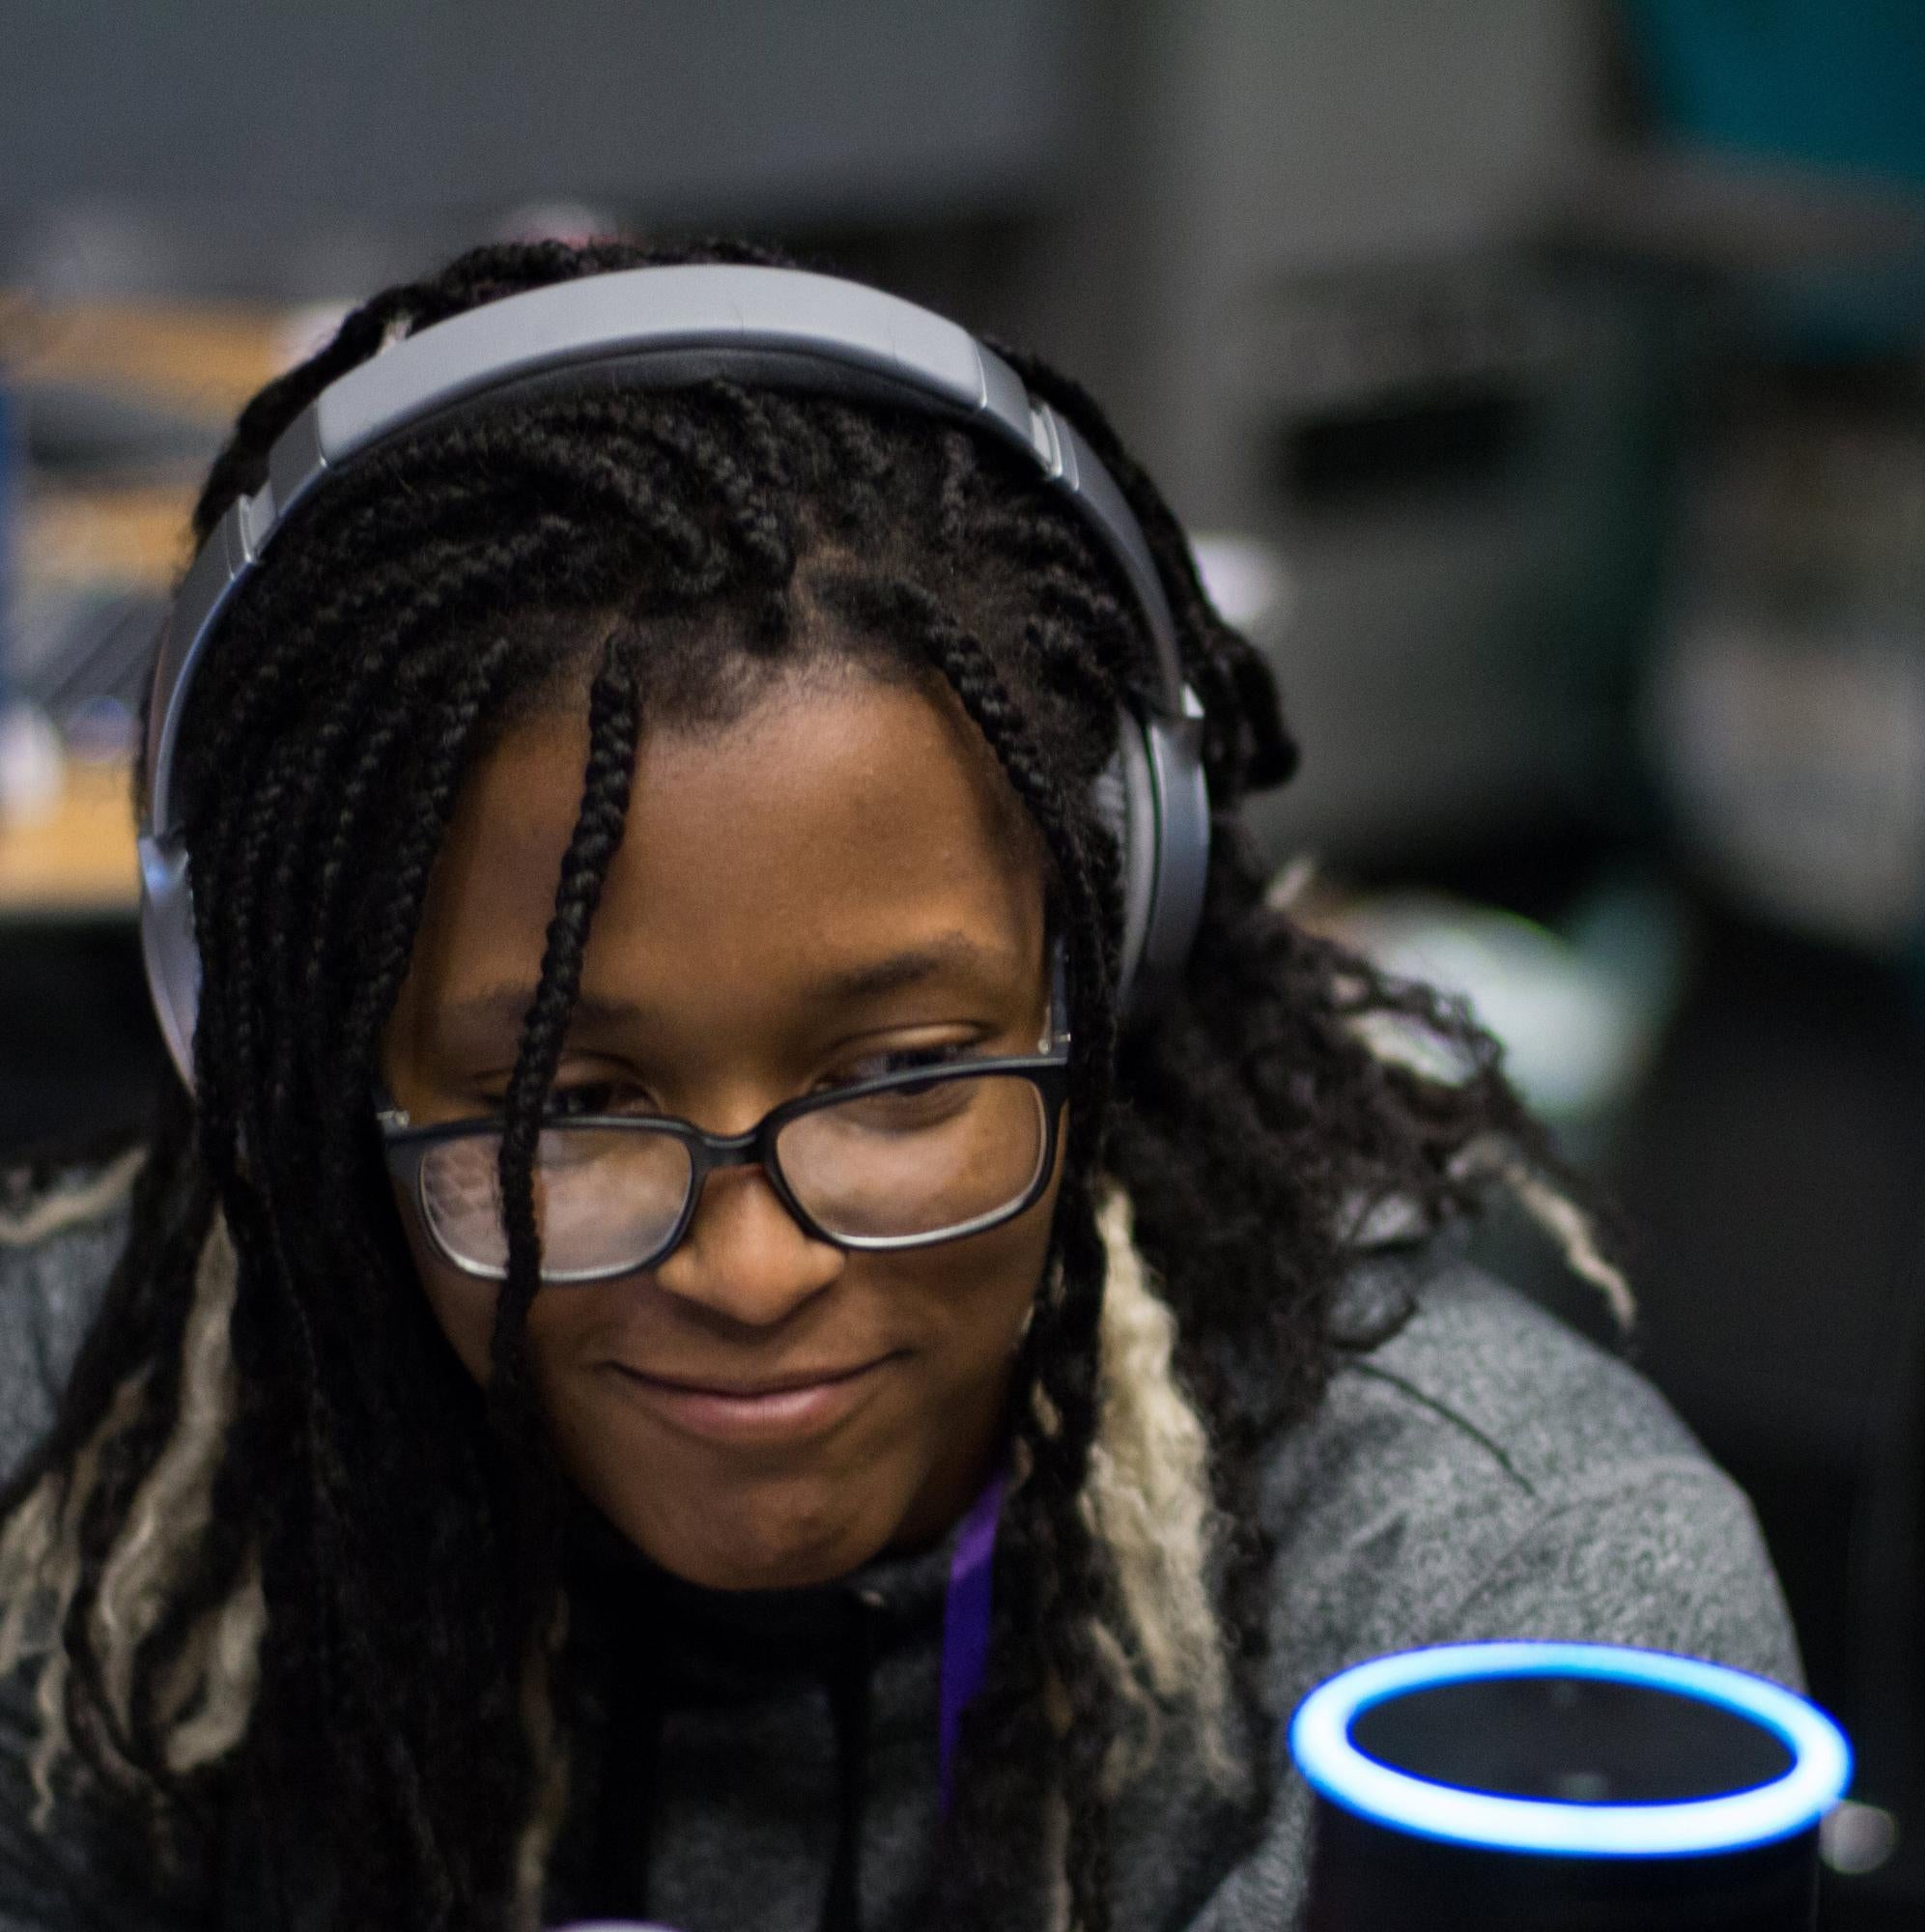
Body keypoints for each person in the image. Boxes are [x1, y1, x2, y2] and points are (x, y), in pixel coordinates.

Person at [0, 238, 1796, 1932]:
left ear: (1104, 975)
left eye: (903, 1078)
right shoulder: (73, 1498)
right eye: (561, 1102)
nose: (752, 1273)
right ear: (305, 1069)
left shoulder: (1499, 1632)